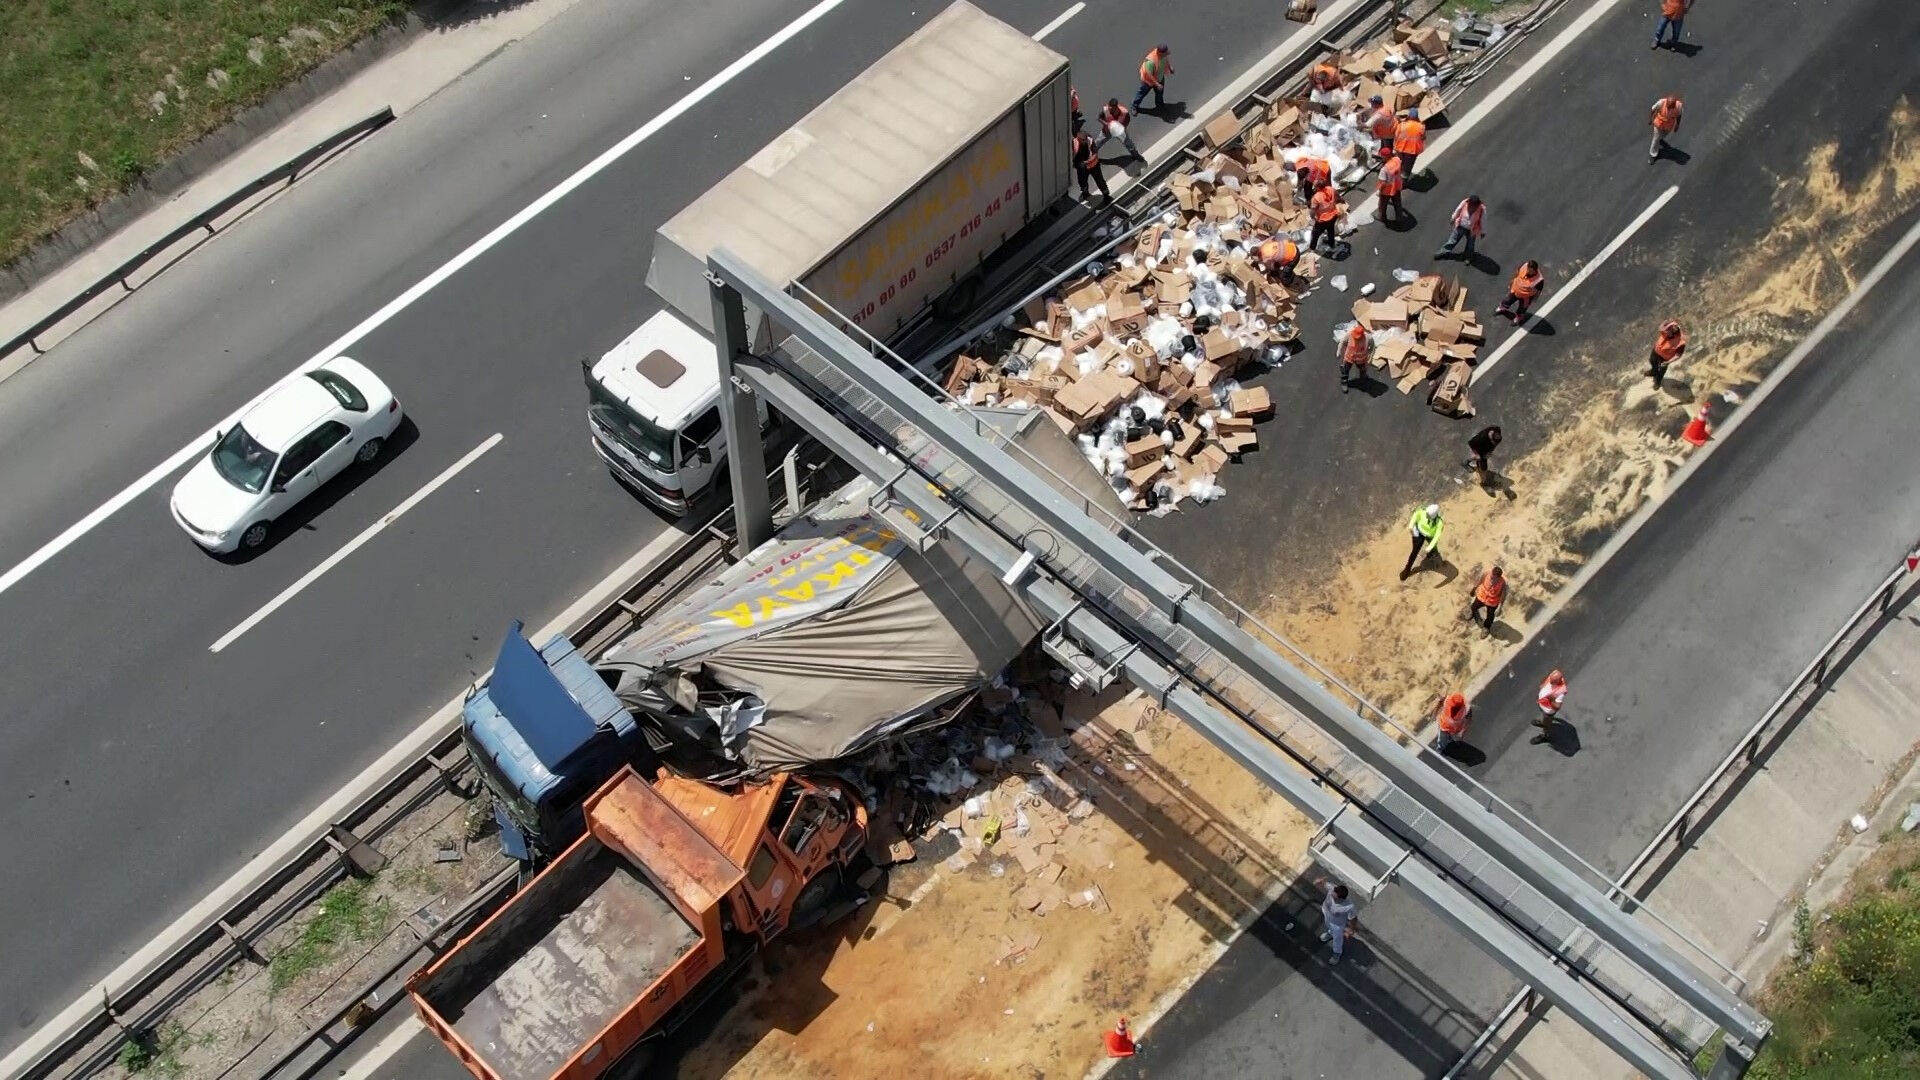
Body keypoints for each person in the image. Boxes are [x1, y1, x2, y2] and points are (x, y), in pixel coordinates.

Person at [1318, 878, 1358, 964]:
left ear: (1341, 899)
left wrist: (1351, 930)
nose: (1332, 895)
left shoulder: (1349, 907)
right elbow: (1324, 883)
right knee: (1329, 927)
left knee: (1337, 939)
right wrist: (1320, 882)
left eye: (1334, 897)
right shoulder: (1332, 888)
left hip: (1337, 925)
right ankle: (1330, 933)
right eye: (1333, 893)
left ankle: (1337, 953)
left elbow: (1353, 918)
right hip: (1327, 916)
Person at [1435, 195, 1485, 260]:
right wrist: (1453, 218)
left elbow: (1483, 220)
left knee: (1470, 245)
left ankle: (1468, 257)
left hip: (1472, 230)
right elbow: (1458, 209)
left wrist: (1483, 232)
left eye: (1474, 207)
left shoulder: (1482, 209)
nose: (1471, 208)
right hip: (1461, 226)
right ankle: (1442, 252)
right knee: (1452, 240)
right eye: (1470, 206)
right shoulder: (1465, 202)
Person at [1401, 503, 1444, 579]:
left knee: (1433, 548)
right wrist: (1411, 525)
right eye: (1427, 513)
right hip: (1419, 532)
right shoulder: (1422, 511)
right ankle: (1407, 570)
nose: (1426, 515)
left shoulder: (1439, 522)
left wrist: (1430, 547)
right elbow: (1416, 515)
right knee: (1414, 551)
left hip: (1430, 535)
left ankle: (1432, 555)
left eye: (1428, 515)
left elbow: (1437, 536)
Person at [1071, 127, 1109, 203]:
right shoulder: (1076, 142)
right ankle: (1086, 192)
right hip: (1084, 166)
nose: (1084, 140)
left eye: (1084, 139)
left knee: (1098, 180)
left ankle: (1105, 194)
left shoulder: (1089, 141)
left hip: (1092, 165)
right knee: (1083, 181)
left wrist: (1087, 162)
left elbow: (1094, 154)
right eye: (1082, 139)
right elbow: (1074, 154)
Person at [1133, 44, 1172, 112]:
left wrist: (1170, 68)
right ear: (1159, 53)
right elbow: (1149, 75)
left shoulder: (1163, 55)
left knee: (1159, 94)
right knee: (1141, 94)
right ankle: (1134, 106)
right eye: (1165, 53)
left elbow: (1166, 60)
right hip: (1148, 81)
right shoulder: (1151, 61)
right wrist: (1157, 84)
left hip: (1159, 78)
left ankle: (1160, 105)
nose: (1166, 54)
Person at [1649, 319, 1687, 388]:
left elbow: (1678, 355)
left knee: (1661, 371)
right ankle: (1654, 371)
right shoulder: (1667, 329)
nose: (1664, 333)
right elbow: (1661, 328)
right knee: (1652, 360)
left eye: (1666, 331)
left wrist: (1668, 362)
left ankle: (1657, 382)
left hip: (1665, 358)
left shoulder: (1680, 341)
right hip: (1656, 351)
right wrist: (1667, 328)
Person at [1469, 565, 1506, 632]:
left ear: (1498, 578)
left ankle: (1486, 628)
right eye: (1491, 577)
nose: (1491, 579)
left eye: (1493, 578)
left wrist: (1500, 607)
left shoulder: (1502, 583)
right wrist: (1474, 589)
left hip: (1492, 602)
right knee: (1473, 606)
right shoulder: (1487, 573)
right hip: (1481, 596)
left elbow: (1503, 595)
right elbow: (1480, 580)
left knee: (1490, 617)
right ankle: (1473, 614)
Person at [1309, 183, 1341, 254]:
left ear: (1317, 187)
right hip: (1333, 215)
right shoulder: (1330, 189)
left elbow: (1313, 210)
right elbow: (1337, 195)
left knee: (1315, 234)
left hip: (1323, 220)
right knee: (1331, 231)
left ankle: (1312, 248)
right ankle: (1332, 245)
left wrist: (1312, 217)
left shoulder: (1316, 197)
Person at [1649, 95, 1683, 162]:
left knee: (1663, 135)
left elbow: (1679, 115)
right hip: (1659, 123)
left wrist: (1677, 125)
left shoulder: (1679, 106)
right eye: (1667, 105)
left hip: (1668, 125)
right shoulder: (1661, 102)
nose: (1668, 107)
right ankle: (1653, 154)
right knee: (1656, 139)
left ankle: (1660, 138)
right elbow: (1653, 109)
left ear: (1674, 105)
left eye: (1670, 106)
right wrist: (1650, 119)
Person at [1393, 108, 1427, 177]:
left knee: (1399, 163)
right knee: (1408, 166)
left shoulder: (1402, 125)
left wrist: (1394, 148)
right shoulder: (1421, 127)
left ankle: (1397, 175)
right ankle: (1404, 179)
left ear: (1409, 116)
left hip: (1400, 148)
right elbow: (1423, 138)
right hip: (1412, 151)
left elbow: (1396, 136)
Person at [1340, 322, 1370, 393]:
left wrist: (1370, 357)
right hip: (1349, 358)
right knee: (1345, 370)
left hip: (1361, 359)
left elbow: (1372, 347)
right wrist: (1339, 352)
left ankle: (1363, 381)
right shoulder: (1350, 335)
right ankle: (1344, 382)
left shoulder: (1368, 338)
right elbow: (1342, 342)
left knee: (1362, 370)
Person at [1536, 670, 1568, 736]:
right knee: (1544, 717)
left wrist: (1551, 700)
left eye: (1553, 681)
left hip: (1548, 710)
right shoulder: (1553, 675)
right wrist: (1543, 685)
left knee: (1547, 721)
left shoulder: (1560, 691)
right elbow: (1547, 680)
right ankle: (1543, 722)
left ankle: (1544, 734)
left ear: (1558, 681)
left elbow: (1557, 707)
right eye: (1551, 679)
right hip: (1542, 703)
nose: (1550, 681)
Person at [1366, 95, 1397, 162]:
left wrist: (1359, 123)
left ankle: (1389, 161)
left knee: (1387, 149)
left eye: (1372, 103)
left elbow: (1367, 125)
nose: (1371, 104)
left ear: (1377, 104)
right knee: (1384, 145)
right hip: (1390, 130)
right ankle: (1383, 155)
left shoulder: (1379, 115)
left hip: (1387, 135)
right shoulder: (1386, 108)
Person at [1377, 154, 1406, 224]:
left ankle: (1382, 217)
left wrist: (1380, 190)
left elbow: (1383, 183)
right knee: (1397, 203)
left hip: (1386, 190)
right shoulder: (1397, 160)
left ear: (1384, 157)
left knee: (1382, 205)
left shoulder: (1384, 169)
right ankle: (1399, 218)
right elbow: (1401, 167)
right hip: (1396, 186)